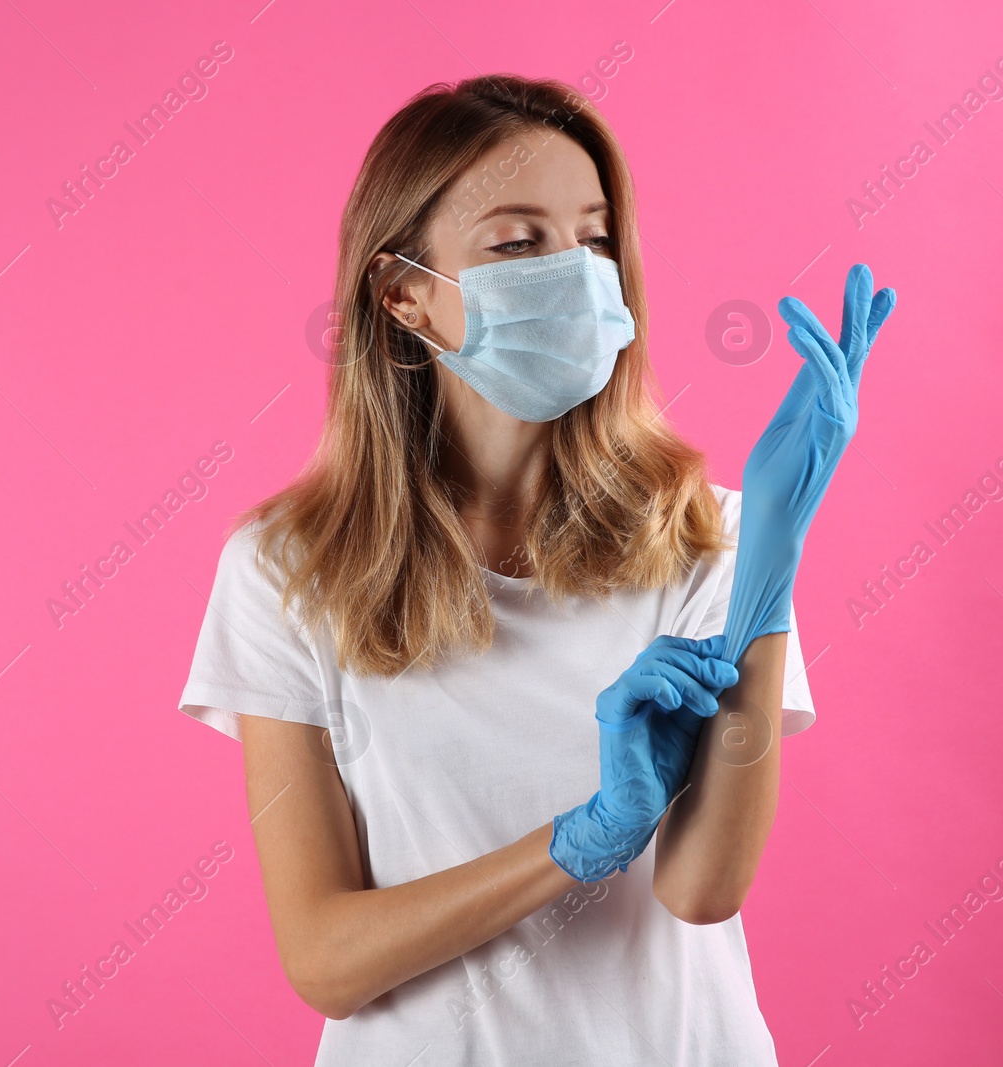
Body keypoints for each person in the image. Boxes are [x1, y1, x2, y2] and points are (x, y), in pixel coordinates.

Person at [178, 73, 894, 1066]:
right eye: (518, 242)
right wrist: (579, 839)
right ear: (404, 294)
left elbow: (702, 887)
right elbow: (327, 958)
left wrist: (770, 553)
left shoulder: (709, 538)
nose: (576, 272)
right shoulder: (287, 569)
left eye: (593, 239)